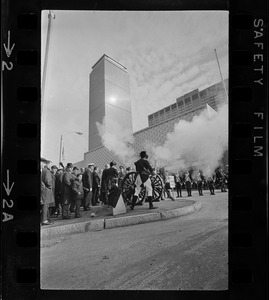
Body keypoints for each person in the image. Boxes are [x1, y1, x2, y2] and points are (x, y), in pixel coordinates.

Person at [41, 159, 54, 225]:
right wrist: (49, 187)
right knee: (45, 206)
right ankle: (44, 220)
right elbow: (48, 181)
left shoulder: (42, 170)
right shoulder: (46, 171)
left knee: (44, 205)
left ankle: (45, 219)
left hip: (43, 190)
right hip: (46, 190)